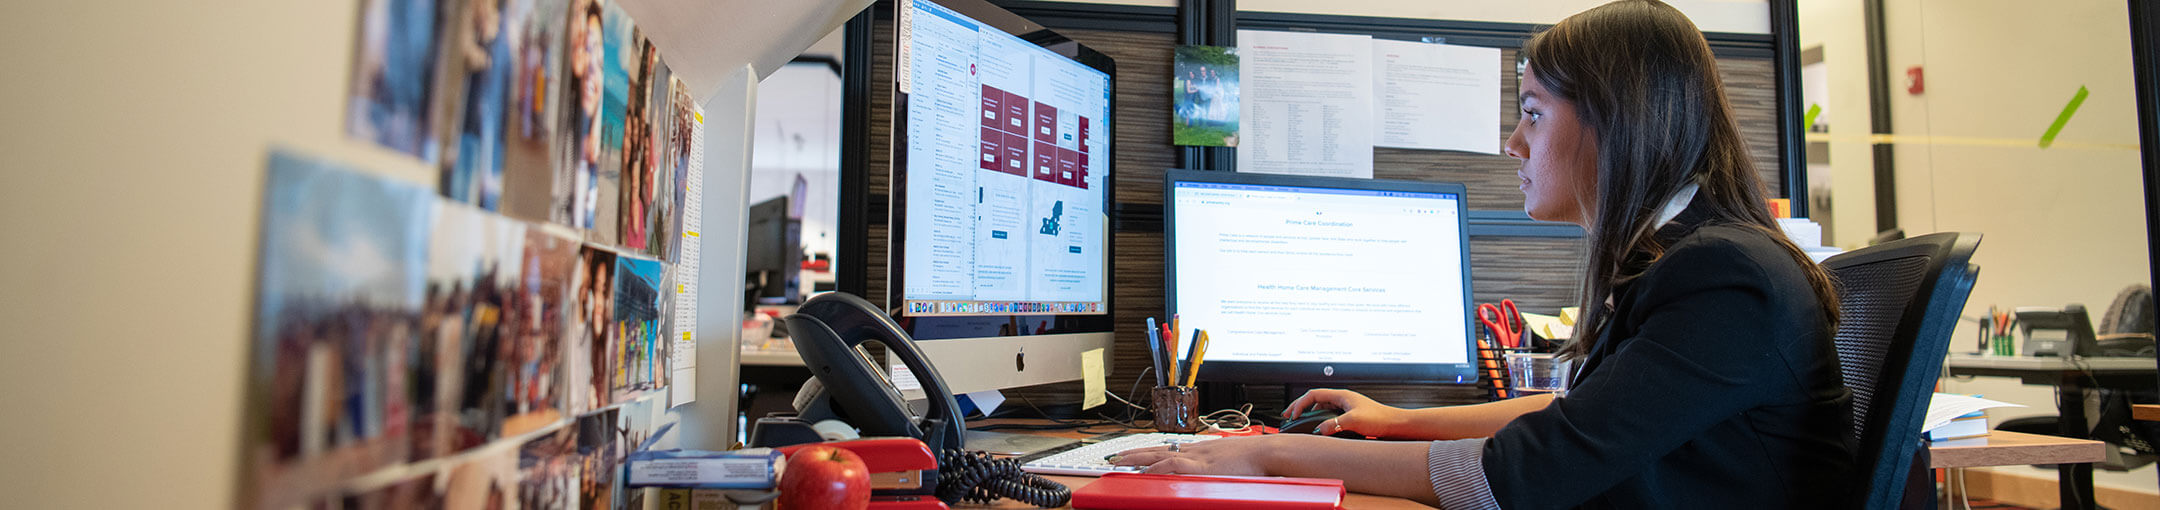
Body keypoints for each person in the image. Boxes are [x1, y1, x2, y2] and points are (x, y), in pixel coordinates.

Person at [1111, 1, 1852, 507]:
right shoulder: (1690, 256)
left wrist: (1269, 458)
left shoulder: (1726, 278)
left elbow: (1527, 474)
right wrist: (1396, 420)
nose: (1513, 142)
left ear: (1614, 123)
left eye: (1532, 113)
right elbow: (1585, 417)